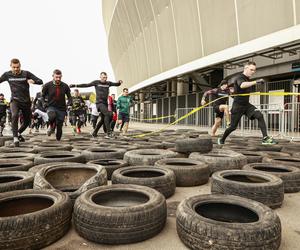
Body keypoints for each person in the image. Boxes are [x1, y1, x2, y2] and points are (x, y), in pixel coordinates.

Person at [218, 61, 277, 145]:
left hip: (246, 105)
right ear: (246, 68)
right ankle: (222, 139)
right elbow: (242, 85)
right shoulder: (240, 77)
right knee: (233, 127)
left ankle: (265, 138)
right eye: (251, 70)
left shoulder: (247, 79)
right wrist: (256, 82)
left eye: (254, 70)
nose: (253, 72)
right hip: (238, 106)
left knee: (259, 115)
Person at [0, 58, 43, 146]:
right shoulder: (7, 75)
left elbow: (40, 81)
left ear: (20, 66)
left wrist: (33, 81)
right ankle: (15, 137)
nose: (16, 69)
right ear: (11, 66)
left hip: (26, 101)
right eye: (14, 67)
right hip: (14, 100)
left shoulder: (26, 73)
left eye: (17, 67)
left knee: (27, 121)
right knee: (15, 115)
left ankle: (18, 133)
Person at [69, 72, 122, 138]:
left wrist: (119, 82)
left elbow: (116, 84)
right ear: (100, 77)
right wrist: (75, 85)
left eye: (106, 77)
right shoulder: (96, 82)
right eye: (103, 77)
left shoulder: (108, 83)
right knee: (108, 114)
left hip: (105, 104)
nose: (105, 79)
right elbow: (86, 85)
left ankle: (94, 133)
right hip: (99, 103)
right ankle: (108, 133)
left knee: (103, 119)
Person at [42, 69, 72, 141]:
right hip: (51, 106)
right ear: (53, 76)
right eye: (56, 77)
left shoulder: (65, 86)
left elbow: (69, 97)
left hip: (61, 108)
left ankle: (58, 141)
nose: (58, 79)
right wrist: (44, 103)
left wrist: (69, 104)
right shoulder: (47, 85)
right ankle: (51, 126)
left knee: (59, 126)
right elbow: (42, 96)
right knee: (52, 116)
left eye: (59, 77)